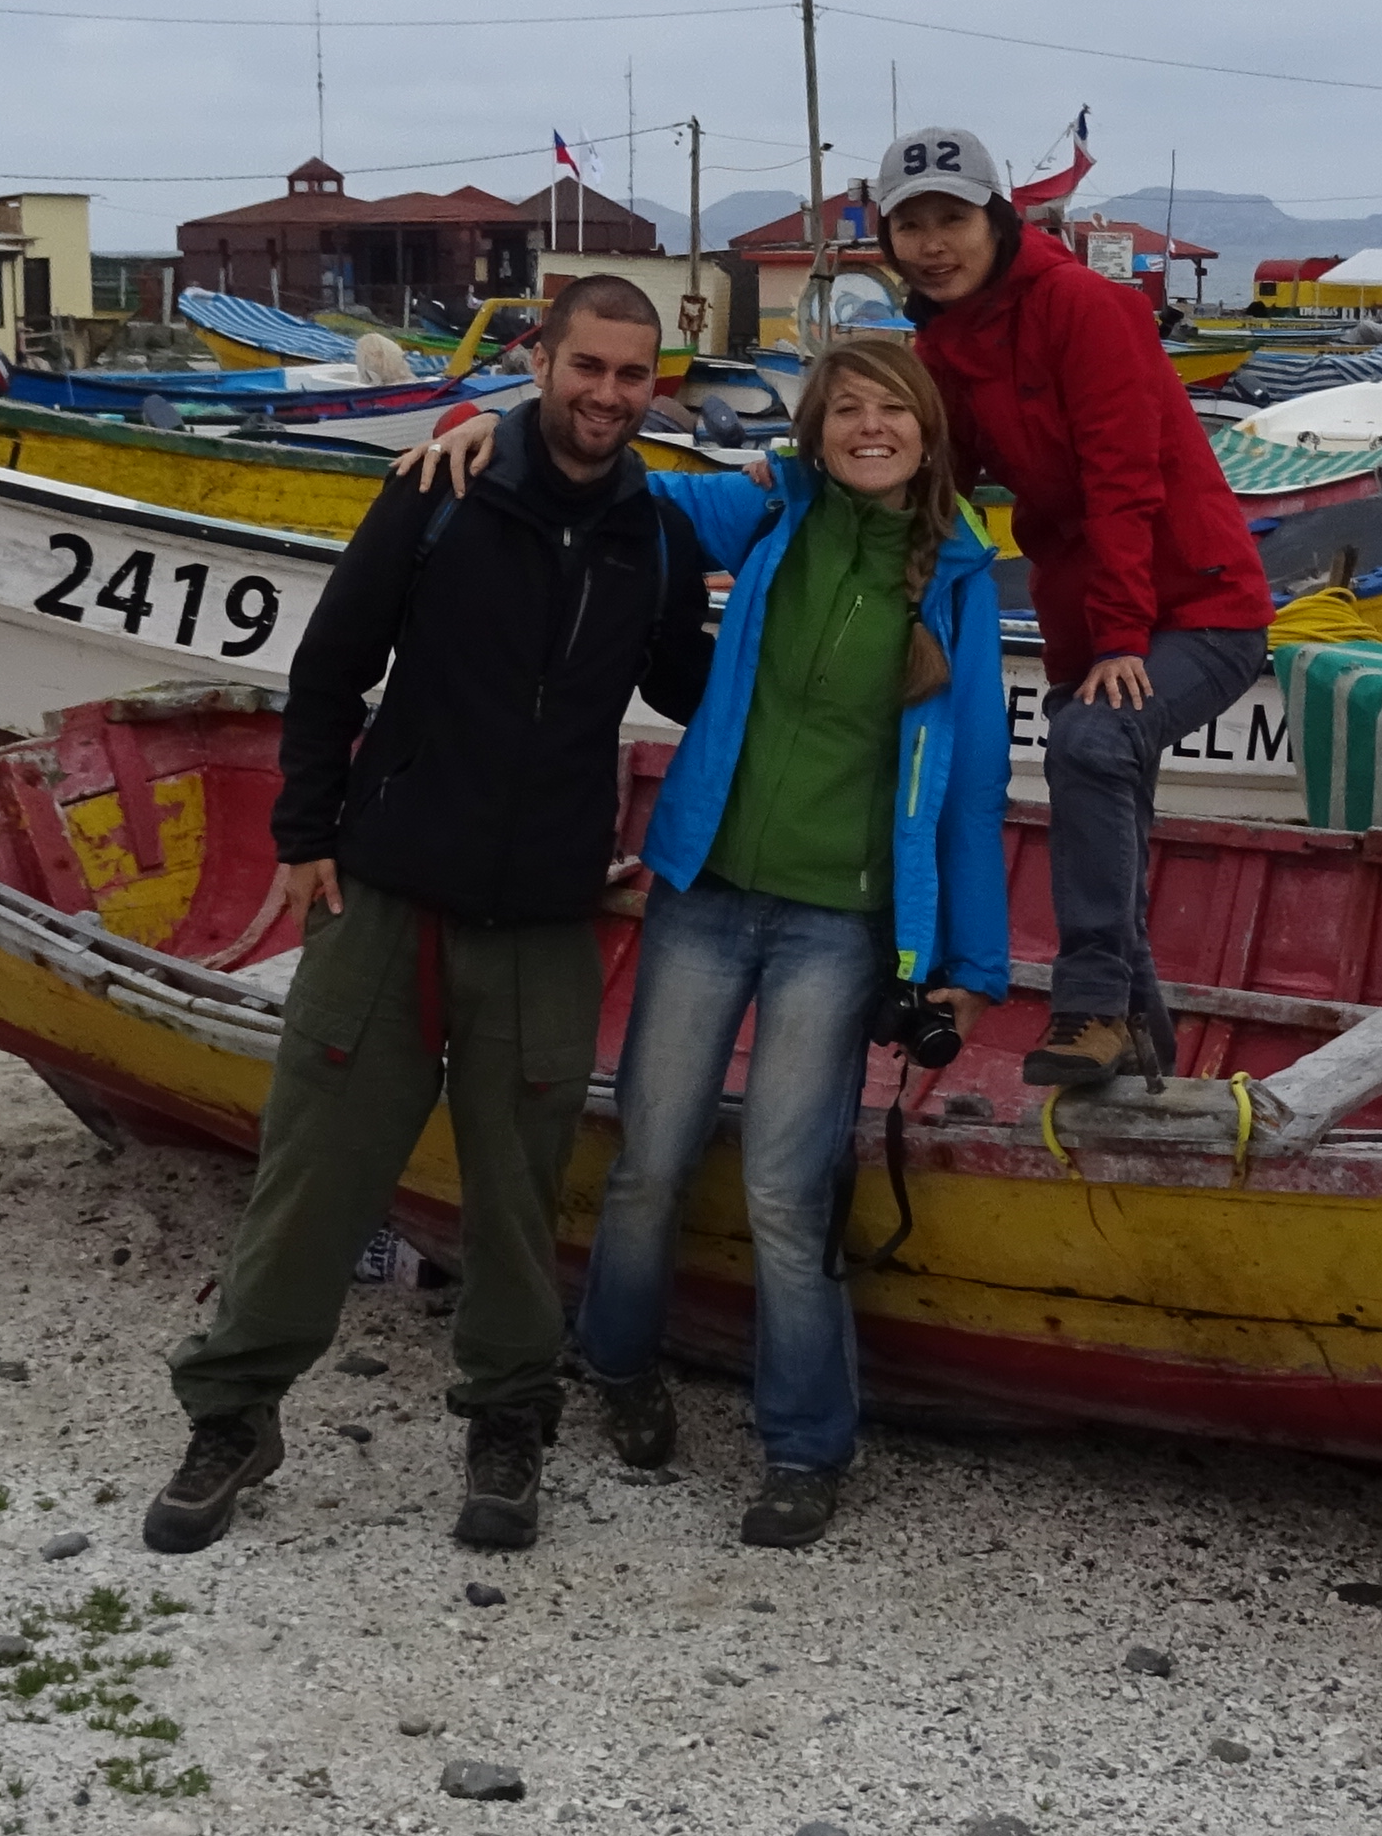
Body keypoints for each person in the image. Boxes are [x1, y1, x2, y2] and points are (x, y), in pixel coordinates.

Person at [392, 331, 1007, 1544]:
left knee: (786, 1185)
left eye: (891, 411)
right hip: (706, 893)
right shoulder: (766, 516)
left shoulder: (959, 581)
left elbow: (974, 786)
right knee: (649, 1160)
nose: (868, 428)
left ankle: (805, 1446)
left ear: (926, 431)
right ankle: (614, 1363)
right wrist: (497, 430)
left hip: (839, 924)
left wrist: (972, 970)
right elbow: (627, 482)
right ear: (815, 432)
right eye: (845, 412)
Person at [140, 274, 712, 1559]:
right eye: (590, 368)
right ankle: (233, 1410)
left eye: (634, 375)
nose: (610, 395)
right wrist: (303, 836)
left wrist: (840, 688)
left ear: (653, 385)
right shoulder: (440, 493)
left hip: (545, 915)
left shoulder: (654, 536)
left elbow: (694, 686)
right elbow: (333, 665)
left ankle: (509, 1416)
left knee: (516, 1195)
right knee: (314, 1170)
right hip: (388, 892)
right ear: (541, 363)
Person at [871, 125, 1271, 1089]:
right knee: (1105, 790)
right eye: (912, 225)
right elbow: (946, 486)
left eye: (952, 219)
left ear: (996, 219)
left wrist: (1122, 638)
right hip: (1088, 621)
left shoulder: (1085, 306)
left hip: (1202, 607)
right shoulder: (939, 342)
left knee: (1090, 744)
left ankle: (1088, 1007)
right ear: (888, 242)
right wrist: (892, 587)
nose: (934, 243)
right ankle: (1145, 1060)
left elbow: (1123, 482)